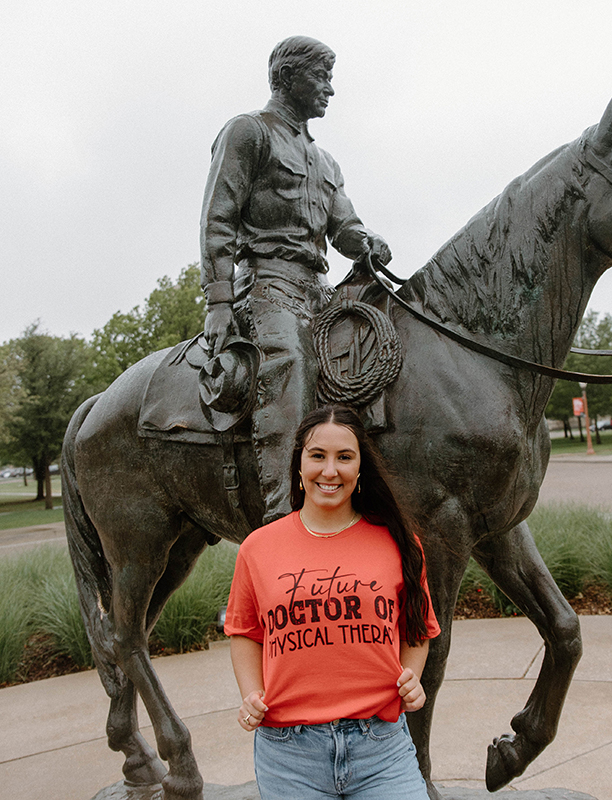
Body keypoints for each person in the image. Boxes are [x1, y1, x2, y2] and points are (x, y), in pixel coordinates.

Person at [200, 36, 392, 524]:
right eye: (321, 77)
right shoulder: (248, 132)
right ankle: (281, 518)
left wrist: (366, 242)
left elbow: (344, 227)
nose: (330, 89)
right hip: (267, 285)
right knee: (292, 367)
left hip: (318, 289)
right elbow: (218, 219)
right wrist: (219, 301)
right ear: (287, 78)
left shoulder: (326, 162)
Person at [224, 404, 440, 799]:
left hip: (380, 747)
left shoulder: (400, 543)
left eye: (344, 457)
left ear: (360, 469)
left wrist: (412, 676)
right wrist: (251, 694)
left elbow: (417, 626)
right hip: (289, 754)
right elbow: (244, 631)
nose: (330, 470)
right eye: (317, 456)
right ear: (299, 464)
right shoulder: (258, 548)